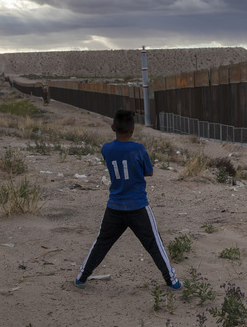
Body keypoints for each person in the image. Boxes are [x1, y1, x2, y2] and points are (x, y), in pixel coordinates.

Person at [76, 109, 181, 290]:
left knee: (102, 243)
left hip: (114, 206)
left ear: (112, 128)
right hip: (138, 206)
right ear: (133, 129)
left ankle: (81, 278)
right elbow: (149, 171)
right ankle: (172, 282)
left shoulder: (106, 148)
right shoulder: (138, 149)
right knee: (155, 245)